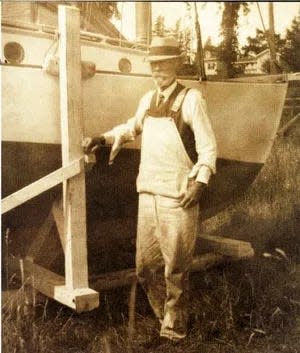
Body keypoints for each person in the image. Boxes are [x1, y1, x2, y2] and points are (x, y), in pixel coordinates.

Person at [82, 36, 217, 344]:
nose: (159, 70)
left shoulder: (191, 99)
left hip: (177, 197)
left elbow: (209, 148)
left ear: (176, 64)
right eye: (155, 65)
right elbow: (131, 128)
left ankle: (174, 328)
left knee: (176, 270)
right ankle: (164, 316)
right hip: (148, 194)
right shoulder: (148, 99)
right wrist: (101, 138)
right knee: (145, 267)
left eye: (165, 64)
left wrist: (200, 182)